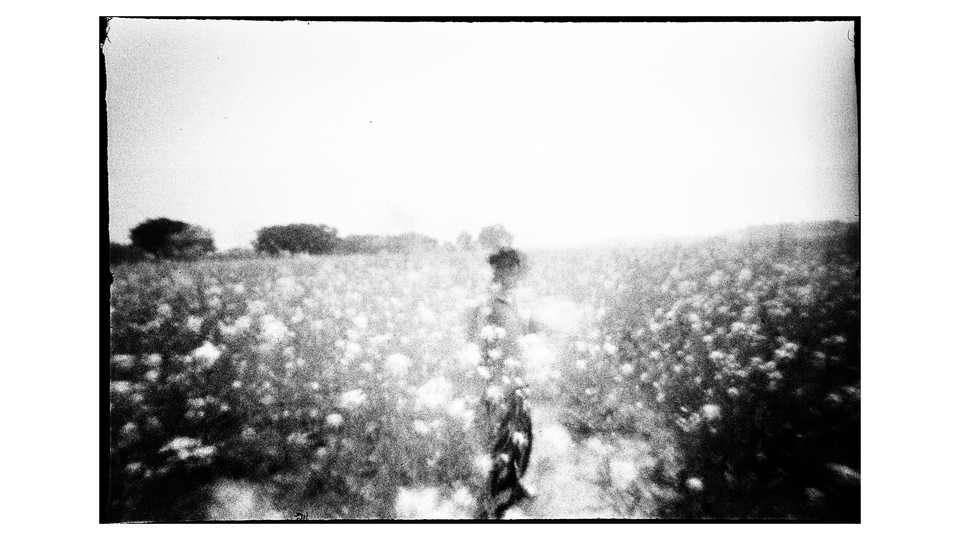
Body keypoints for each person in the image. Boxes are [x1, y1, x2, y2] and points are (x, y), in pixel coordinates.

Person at [470, 247, 538, 519]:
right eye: (507, 269)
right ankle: (493, 506)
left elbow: (521, 331)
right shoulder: (488, 303)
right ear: (498, 270)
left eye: (516, 269)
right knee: (503, 444)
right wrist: (491, 383)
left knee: (523, 438)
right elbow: (479, 343)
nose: (514, 274)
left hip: (518, 378)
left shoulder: (512, 300)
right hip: (500, 384)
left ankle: (514, 485)